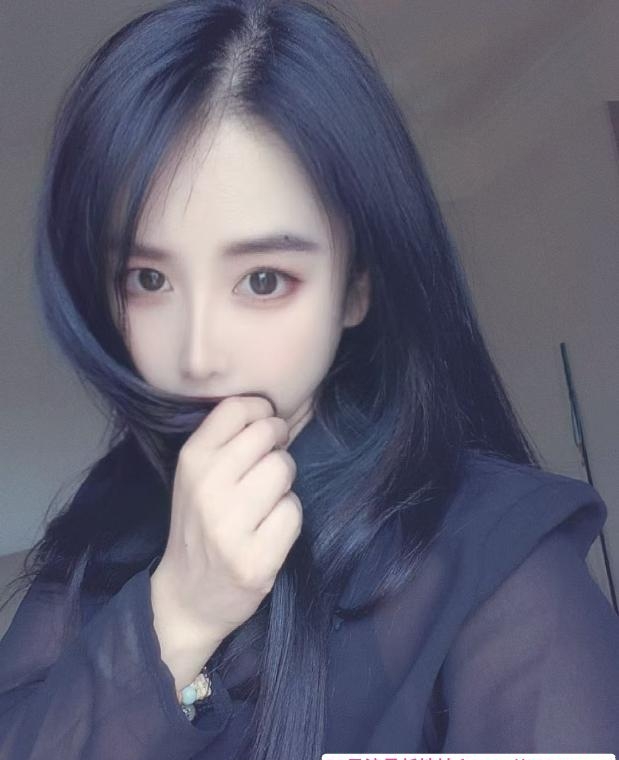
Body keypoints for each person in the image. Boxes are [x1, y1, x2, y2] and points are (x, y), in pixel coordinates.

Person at [1, 0, 618, 758]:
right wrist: (180, 615)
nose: (196, 357)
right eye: (149, 279)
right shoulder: (111, 511)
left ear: (355, 288)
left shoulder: (501, 573)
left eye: (262, 280)